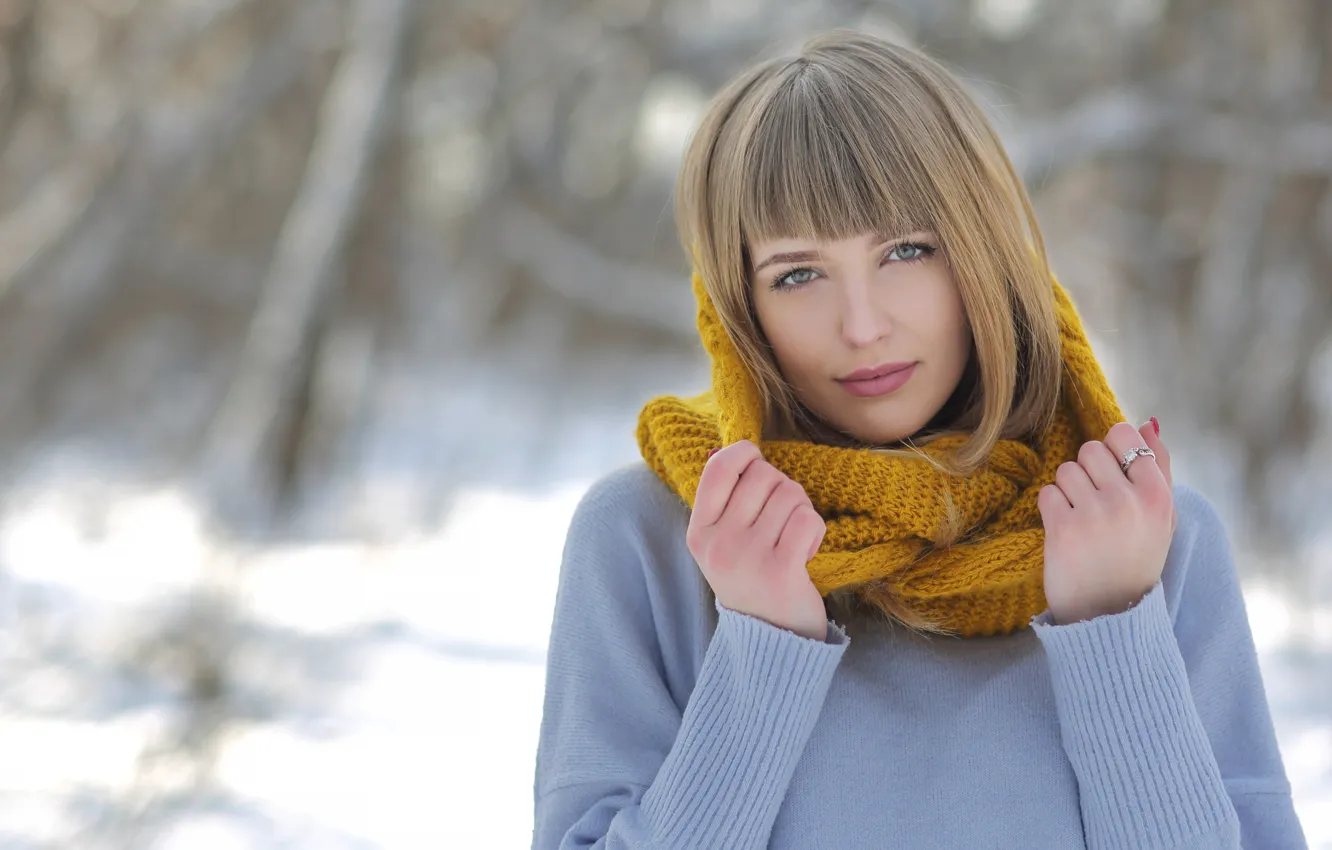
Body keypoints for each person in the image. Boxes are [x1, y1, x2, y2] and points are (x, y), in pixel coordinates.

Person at [530, 29, 1308, 850]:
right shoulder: (652, 541)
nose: (863, 326)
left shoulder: (1147, 540)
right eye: (797, 274)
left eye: (907, 250)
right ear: (737, 307)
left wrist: (1112, 631)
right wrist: (761, 649)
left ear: (986, 255)